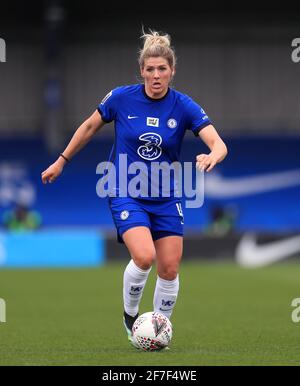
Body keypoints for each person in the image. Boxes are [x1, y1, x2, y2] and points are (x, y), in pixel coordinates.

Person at [41, 29, 228, 348]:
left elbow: (218, 143)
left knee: (169, 267)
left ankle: (157, 328)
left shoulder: (183, 106)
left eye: (162, 69)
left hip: (168, 196)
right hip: (125, 189)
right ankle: (130, 318)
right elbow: (88, 127)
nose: (156, 75)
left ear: (172, 71)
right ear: (141, 70)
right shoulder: (120, 98)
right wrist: (61, 160)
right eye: (150, 69)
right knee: (144, 256)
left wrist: (213, 155)